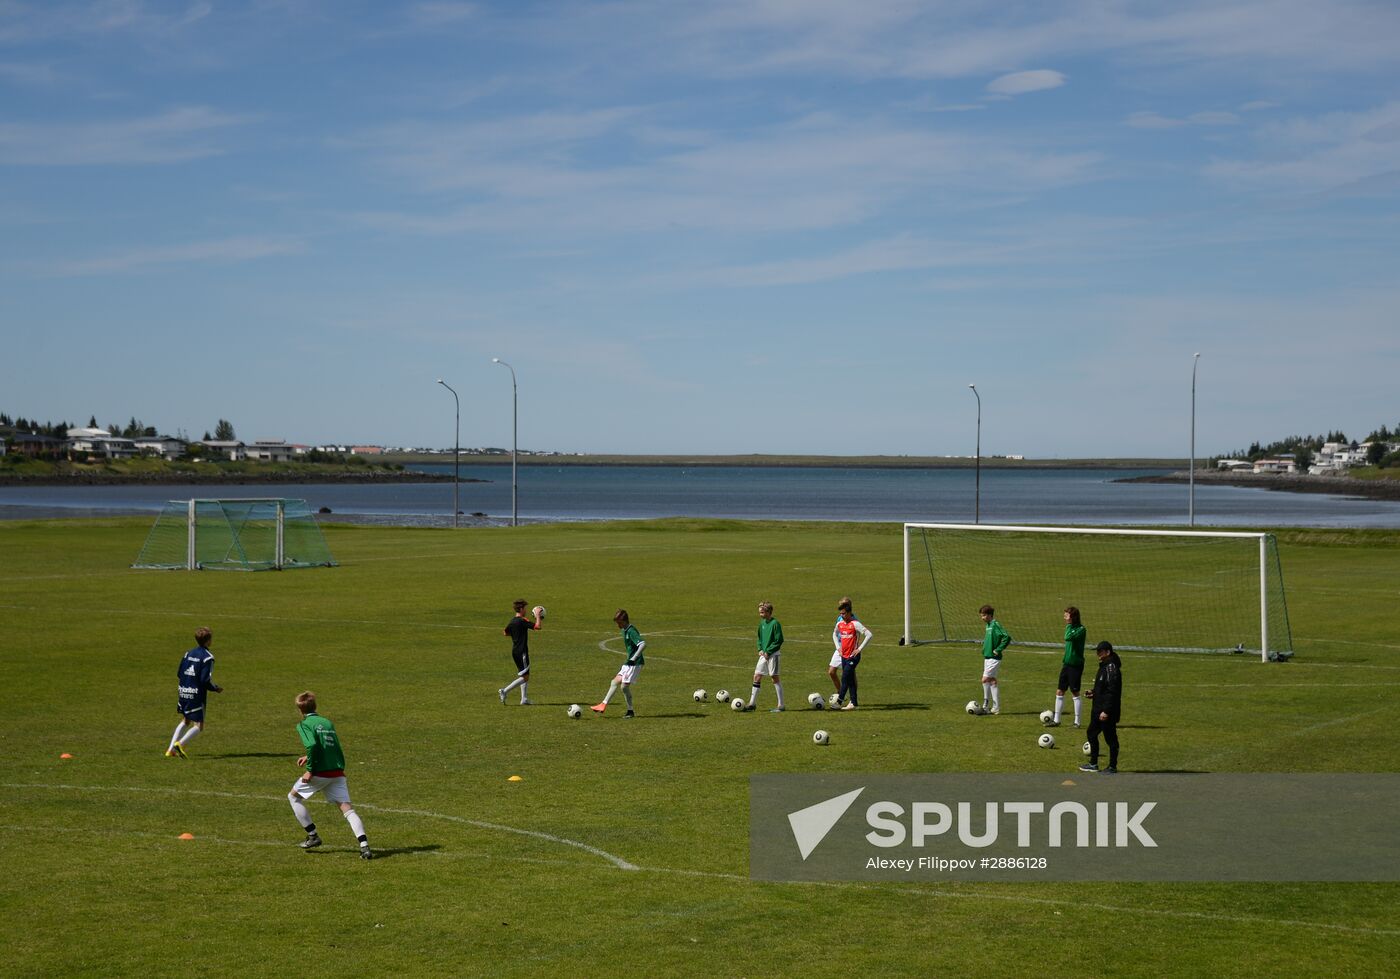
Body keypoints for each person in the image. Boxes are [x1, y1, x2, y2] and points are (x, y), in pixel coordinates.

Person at [288, 691, 372, 859]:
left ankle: (313, 836)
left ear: (300, 710)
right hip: (337, 771)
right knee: (347, 810)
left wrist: (310, 769)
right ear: (315, 706)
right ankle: (364, 846)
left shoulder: (304, 724)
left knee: (293, 797)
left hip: (320, 772)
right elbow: (329, 746)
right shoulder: (326, 722)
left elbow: (311, 745)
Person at [166, 627, 222, 758]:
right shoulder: (208, 658)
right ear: (208, 641)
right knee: (199, 725)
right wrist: (215, 688)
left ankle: (170, 750)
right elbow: (204, 679)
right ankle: (179, 744)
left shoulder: (188, 653)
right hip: (196, 694)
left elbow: (179, 673)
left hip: (184, 690)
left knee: (186, 720)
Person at [1079, 640, 1123, 774]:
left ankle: (1112, 766)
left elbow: (1112, 692)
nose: (1098, 653)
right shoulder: (1104, 666)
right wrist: (1093, 693)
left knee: (1110, 739)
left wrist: (1106, 711)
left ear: (1107, 652)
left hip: (1106, 711)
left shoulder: (1111, 669)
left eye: (1100, 651)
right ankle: (1093, 764)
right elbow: (1103, 688)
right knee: (1091, 733)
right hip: (1098, 709)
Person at [592, 609, 645, 717]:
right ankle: (603, 704)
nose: (618, 625)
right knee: (614, 682)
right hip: (629, 662)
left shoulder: (631, 631)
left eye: (619, 622)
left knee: (624, 687)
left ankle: (630, 711)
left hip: (635, 663)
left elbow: (643, 644)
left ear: (624, 621)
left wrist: (634, 657)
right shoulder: (624, 630)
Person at [1046, 606, 1086, 727]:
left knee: (1075, 692)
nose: (1064, 617)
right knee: (1060, 691)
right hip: (1067, 664)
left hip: (1076, 665)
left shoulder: (1081, 629)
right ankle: (1057, 720)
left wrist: (1069, 625)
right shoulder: (1071, 627)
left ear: (1073, 617)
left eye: (1066, 615)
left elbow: (1067, 637)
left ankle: (1077, 722)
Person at [498, 599, 543, 706]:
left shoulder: (512, 621)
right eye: (525, 608)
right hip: (522, 652)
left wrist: (516, 634)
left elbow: (505, 632)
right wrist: (537, 616)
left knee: (524, 674)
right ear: (521, 609)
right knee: (525, 677)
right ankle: (505, 691)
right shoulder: (522, 621)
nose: (526, 610)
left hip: (515, 651)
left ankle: (524, 699)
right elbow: (538, 627)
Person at [831, 598, 872, 711]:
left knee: (845, 677)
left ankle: (839, 701)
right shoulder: (840, 624)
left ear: (849, 613)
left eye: (843, 613)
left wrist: (859, 649)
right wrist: (838, 648)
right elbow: (834, 634)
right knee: (849, 679)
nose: (842, 616)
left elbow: (869, 635)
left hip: (853, 656)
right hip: (843, 655)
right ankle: (854, 703)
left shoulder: (855, 624)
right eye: (840, 614)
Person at [748, 601, 785, 712]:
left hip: (773, 655)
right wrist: (760, 649)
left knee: (774, 678)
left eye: (762, 612)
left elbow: (779, 640)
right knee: (757, 676)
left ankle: (781, 705)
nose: (760, 614)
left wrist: (768, 651)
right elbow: (759, 638)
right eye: (759, 612)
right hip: (764, 655)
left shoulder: (775, 624)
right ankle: (752, 704)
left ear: (769, 612)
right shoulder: (762, 623)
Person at [978, 604, 1011, 715]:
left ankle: (985, 706)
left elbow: (1007, 636)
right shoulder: (988, 625)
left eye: (983, 615)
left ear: (989, 615)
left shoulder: (995, 624)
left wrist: (998, 649)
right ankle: (995, 708)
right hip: (987, 657)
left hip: (994, 658)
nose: (982, 618)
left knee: (984, 679)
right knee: (992, 681)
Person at [826, 595, 855, 696]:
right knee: (831, 672)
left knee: (850, 675)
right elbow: (835, 632)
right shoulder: (840, 617)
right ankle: (840, 693)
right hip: (839, 649)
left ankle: (852, 698)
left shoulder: (853, 620)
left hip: (849, 649)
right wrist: (838, 647)